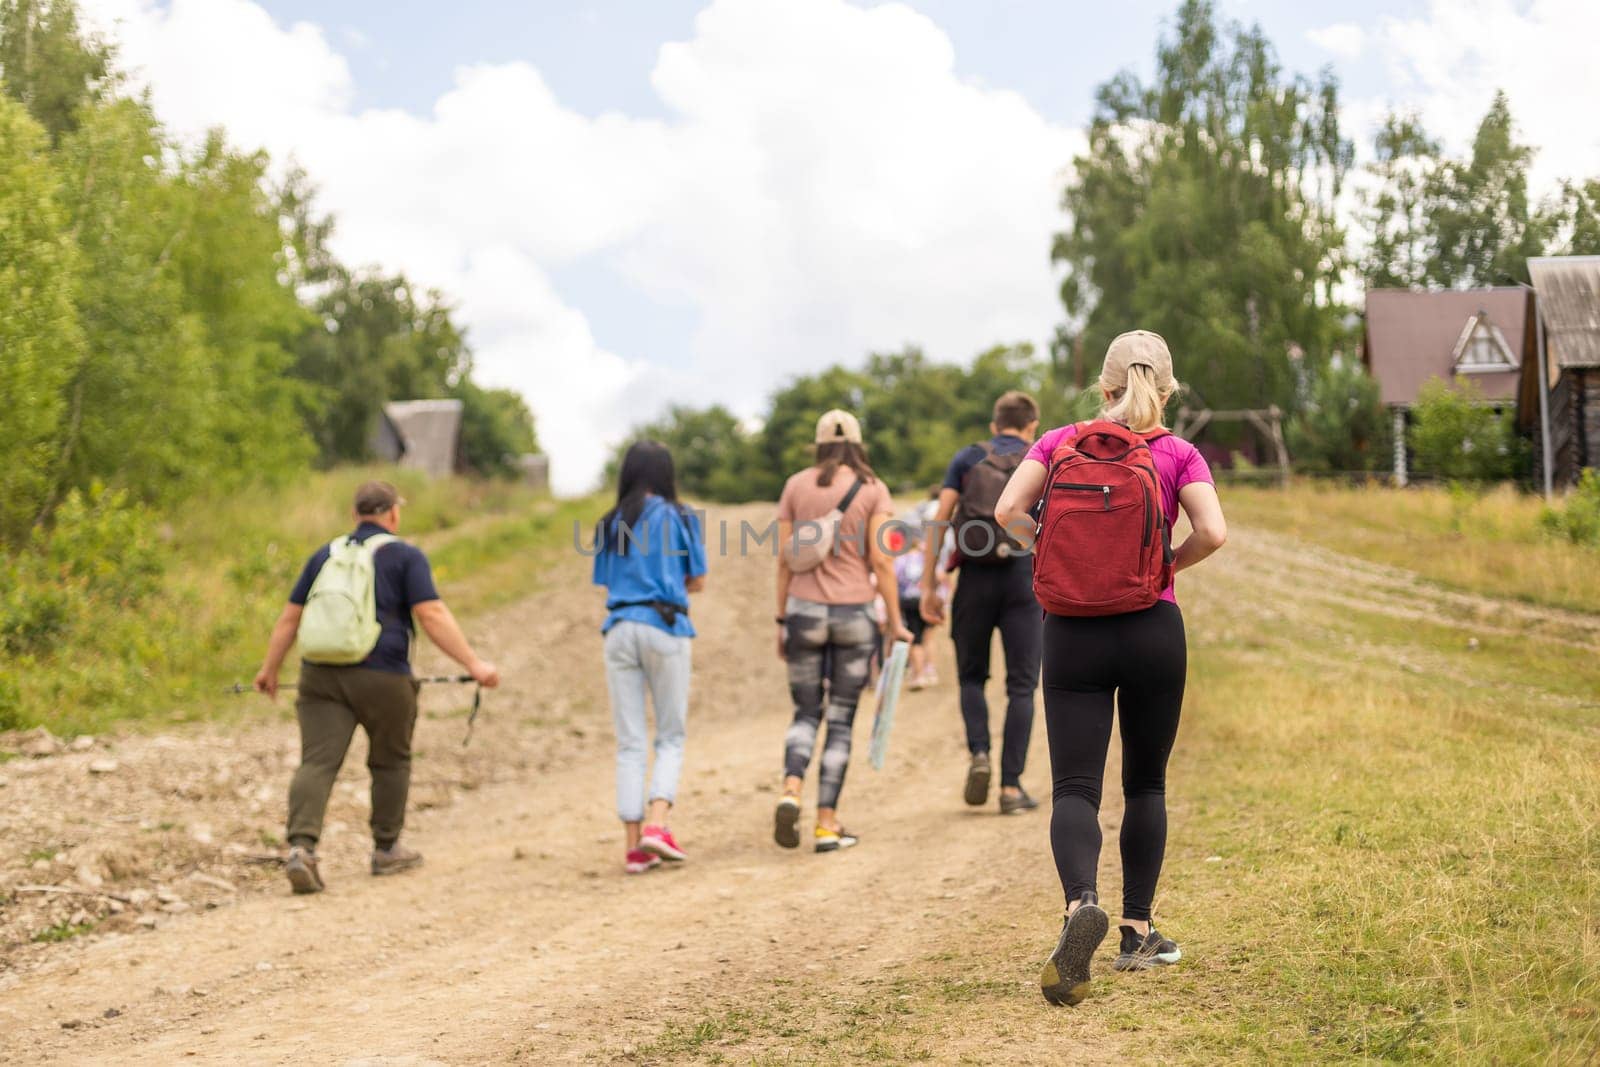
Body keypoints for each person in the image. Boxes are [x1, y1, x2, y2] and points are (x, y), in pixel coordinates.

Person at [992, 330, 1227, 1006]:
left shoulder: (1060, 441)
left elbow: (1008, 510)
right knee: (1145, 784)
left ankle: (1078, 908)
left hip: (1071, 630)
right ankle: (1137, 931)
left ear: (1104, 387)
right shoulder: (1178, 452)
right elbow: (1213, 531)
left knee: (1074, 785)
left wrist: (1050, 557)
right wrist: (1163, 566)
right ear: (1169, 386)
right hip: (1153, 624)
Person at [255, 481, 501, 895]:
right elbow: (432, 614)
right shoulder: (405, 555)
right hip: (384, 674)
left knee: (316, 761)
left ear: (355, 515)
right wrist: (474, 665)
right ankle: (386, 849)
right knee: (389, 761)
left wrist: (270, 669)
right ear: (393, 514)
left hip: (320, 674)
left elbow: (289, 619)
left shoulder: (325, 555)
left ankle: (302, 847)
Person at [774, 409, 913, 853]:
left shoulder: (796, 485)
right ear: (858, 443)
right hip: (854, 614)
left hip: (802, 611)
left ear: (818, 443)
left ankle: (791, 789)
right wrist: (895, 623)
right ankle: (827, 824)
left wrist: (782, 618)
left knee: (804, 712)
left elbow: (784, 559)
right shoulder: (873, 489)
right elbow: (881, 561)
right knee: (839, 719)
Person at [920, 390, 1043, 815]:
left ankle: (980, 754)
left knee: (972, 678)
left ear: (995, 425)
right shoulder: (1040, 455)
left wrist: (927, 586)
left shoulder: (967, 457)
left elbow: (939, 520)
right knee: (1022, 686)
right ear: (1032, 425)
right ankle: (1011, 789)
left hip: (973, 578)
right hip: (1024, 579)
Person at [592, 441, 708, 875]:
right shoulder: (680, 517)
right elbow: (697, 579)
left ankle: (633, 846)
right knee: (671, 735)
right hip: (666, 627)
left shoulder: (610, 522)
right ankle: (658, 825)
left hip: (619, 629)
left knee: (630, 740)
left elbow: (604, 580)